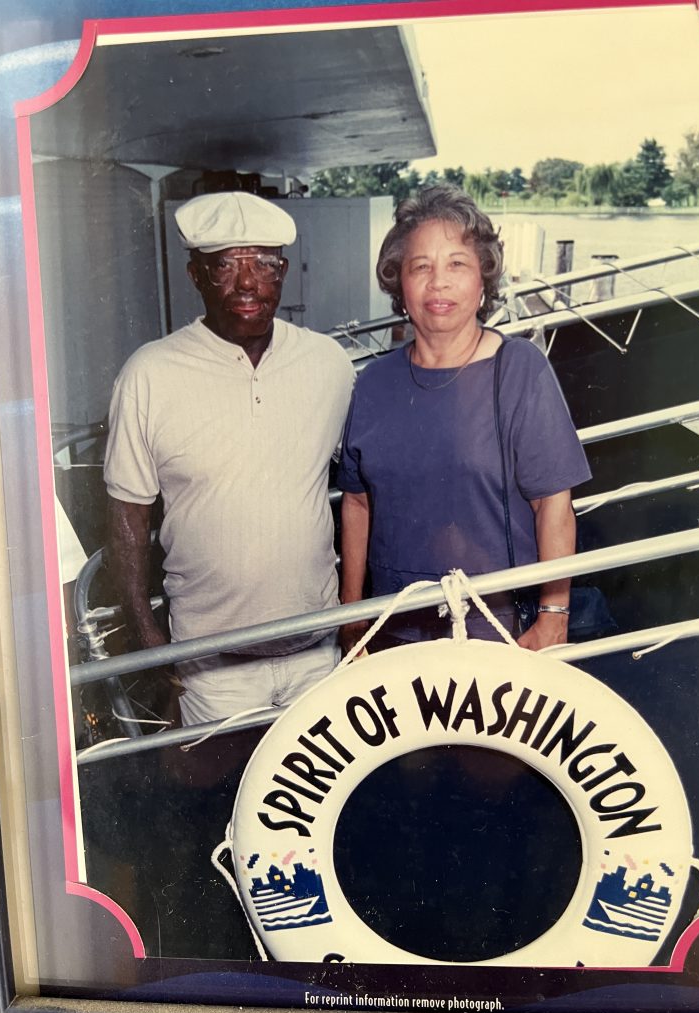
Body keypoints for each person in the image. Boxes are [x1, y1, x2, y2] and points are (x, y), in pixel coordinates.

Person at [104, 191, 355, 725]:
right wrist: (147, 635)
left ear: (282, 272)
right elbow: (128, 514)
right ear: (196, 275)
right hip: (211, 669)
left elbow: (364, 487)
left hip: (317, 654)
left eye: (263, 264)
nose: (247, 283)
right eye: (225, 266)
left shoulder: (328, 364)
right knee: (216, 780)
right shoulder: (149, 375)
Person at [336, 185, 591, 654]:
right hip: (392, 631)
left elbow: (553, 505)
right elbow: (356, 504)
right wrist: (351, 617)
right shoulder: (373, 383)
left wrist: (554, 618)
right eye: (421, 267)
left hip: (498, 631)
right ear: (399, 283)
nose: (439, 283)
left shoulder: (519, 369)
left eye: (457, 264)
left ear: (482, 281)